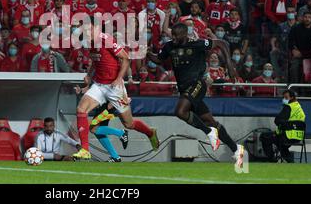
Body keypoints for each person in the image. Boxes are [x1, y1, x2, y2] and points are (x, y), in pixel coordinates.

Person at [148, 23, 244, 167]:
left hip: (197, 84)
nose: (173, 38)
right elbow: (158, 59)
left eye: (176, 36)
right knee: (210, 121)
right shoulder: (169, 46)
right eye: (172, 35)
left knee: (180, 112)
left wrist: (229, 64)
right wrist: (148, 52)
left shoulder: (198, 44)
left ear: (185, 35)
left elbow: (222, 44)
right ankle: (237, 149)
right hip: (184, 88)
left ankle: (209, 133)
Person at [72, 20, 159, 160]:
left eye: (88, 29)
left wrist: (119, 78)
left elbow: (125, 58)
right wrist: (89, 76)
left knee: (128, 124)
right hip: (100, 85)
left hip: (114, 88)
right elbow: (97, 61)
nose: (86, 32)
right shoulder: (90, 43)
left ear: (95, 27)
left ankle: (149, 133)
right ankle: (85, 150)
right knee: (81, 109)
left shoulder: (106, 39)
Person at [260, 90, 306, 163]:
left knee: (264, 136)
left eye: (286, 97)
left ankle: (272, 159)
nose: (284, 99)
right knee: (279, 141)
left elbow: (277, 120)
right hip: (298, 137)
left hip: (287, 136)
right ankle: (289, 159)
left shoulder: (288, 107)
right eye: (283, 97)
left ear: (292, 97)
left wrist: (283, 124)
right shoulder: (299, 108)